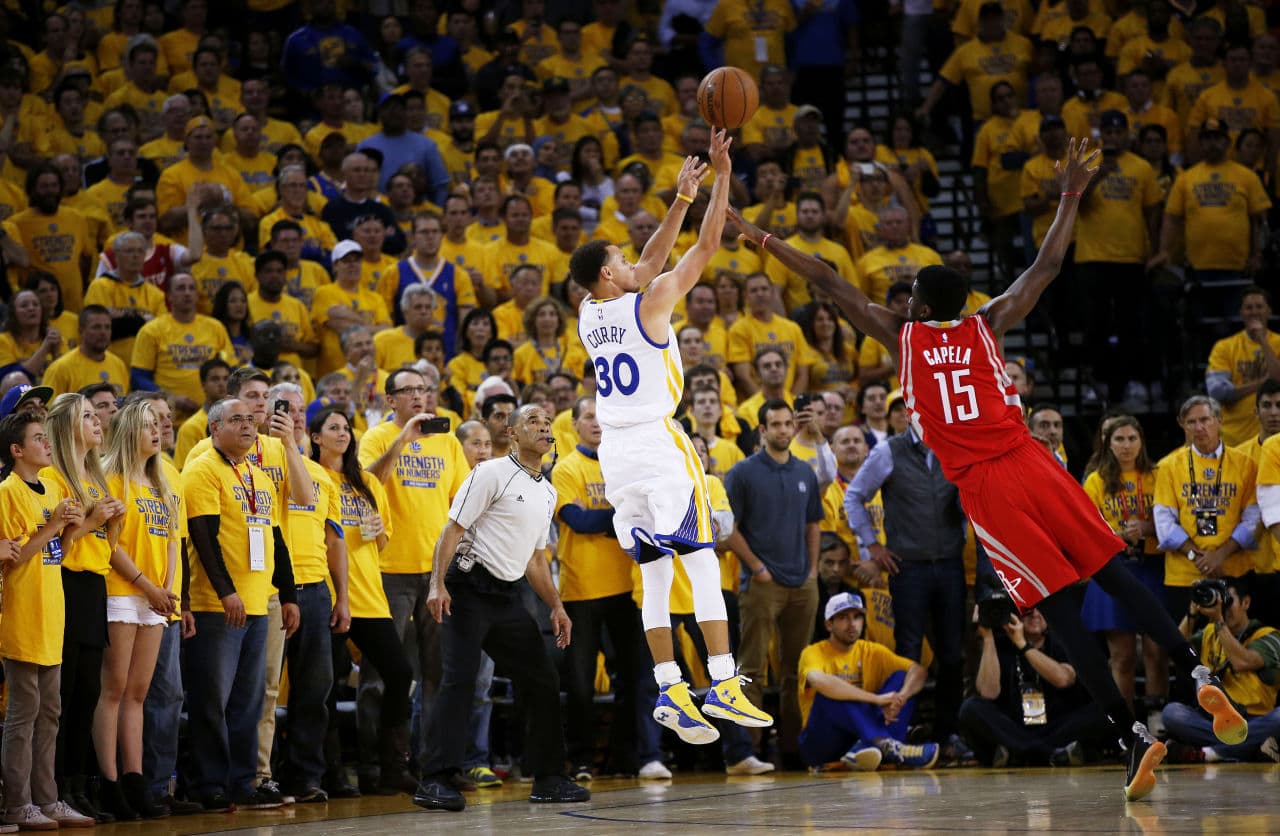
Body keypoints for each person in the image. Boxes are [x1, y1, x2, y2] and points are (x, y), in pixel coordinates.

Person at [728, 137, 1246, 802]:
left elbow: (827, 279)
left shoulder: (903, 336)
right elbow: (1048, 264)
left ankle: (1131, 737)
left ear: (916, 306)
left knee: (1060, 612)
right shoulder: (989, 323)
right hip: (1033, 461)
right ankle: (1194, 667)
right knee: (1112, 571)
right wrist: (1068, 195)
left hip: (989, 489)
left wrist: (760, 238)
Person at [567, 129, 771, 747]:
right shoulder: (649, 304)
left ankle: (669, 690)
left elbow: (649, 264)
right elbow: (707, 246)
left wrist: (681, 198)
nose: (636, 263)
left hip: (616, 454)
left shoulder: (588, 310)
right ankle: (723, 679)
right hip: (658, 444)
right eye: (621, 260)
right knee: (703, 558)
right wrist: (722, 173)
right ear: (609, 273)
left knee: (655, 571)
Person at [414, 405, 589, 811]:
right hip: (467, 587)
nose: (544, 427)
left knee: (542, 678)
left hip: (506, 595)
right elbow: (452, 529)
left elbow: (536, 559)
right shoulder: (490, 472)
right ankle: (435, 780)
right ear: (511, 433)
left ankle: (548, 778)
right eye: (533, 421)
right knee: (460, 679)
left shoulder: (548, 490)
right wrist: (437, 584)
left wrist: (556, 606)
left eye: (548, 423)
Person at [181, 397, 298, 811]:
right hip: (217, 606)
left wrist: (287, 595)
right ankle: (207, 783)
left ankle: (243, 781)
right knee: (212, 699)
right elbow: (202, 538)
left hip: (258, 603)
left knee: (248, 700)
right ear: (215, 428)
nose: (249, 426)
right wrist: (226, 591)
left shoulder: (259, 476)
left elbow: (277, 540)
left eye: (251, 419)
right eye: (237, 420)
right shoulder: (201, 471)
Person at [357, 367, 470, 793]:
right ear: (391, 400)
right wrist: (402, 439)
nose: (419, 397)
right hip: (387, 573)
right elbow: (364, 485)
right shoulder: (377, 437)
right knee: (381, 675)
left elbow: (460, 502)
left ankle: (433, 764)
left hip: (437, 573)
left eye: (424, 389)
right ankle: (375, 765)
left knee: (438, 674)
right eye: (409, 390)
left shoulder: (449, 441)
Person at [845, 400, 969, 758]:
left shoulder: (954, 448)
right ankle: (899, 730)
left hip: (949, 563)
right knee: (908, 653)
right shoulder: (888, 451)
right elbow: (854, 497)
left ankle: (949, 735)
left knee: (952, 655)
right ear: (910, 414)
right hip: (908, 566)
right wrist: (871, 546)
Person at [310, 405, 416, 795]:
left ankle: (392, 767)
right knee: (327, 684)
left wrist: (375, 532)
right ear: (316, 438)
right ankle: (332, 772)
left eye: (346, 428)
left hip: (370, 595)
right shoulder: (311, 476)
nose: (343, 433)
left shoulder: (368, 482)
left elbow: (384, 541)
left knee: (400, 672)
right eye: (333, 427)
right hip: (328, 594)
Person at [0, 411, 90, 831]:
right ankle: (18, 804)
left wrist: (71, 530)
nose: (47, 444)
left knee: (50, 712)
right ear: (17, 450)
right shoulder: (7, 492)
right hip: (21, 613)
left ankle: (47, 799)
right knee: (24, 713)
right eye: (38, 439)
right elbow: (14, 558)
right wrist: (53, 525)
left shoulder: (53, 485)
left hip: (53, 611)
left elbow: (57, 554)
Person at [726, 400, 823, 761]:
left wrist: (812, 570)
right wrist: (756, 567)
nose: (783, 430)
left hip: (803, 583)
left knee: (796, 671)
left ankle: (794, 749)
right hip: (762, 584)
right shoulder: (742, 473)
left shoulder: (805, 472)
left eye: (787, 424)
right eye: (775, 424)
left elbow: (814, 523)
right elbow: (728, 530)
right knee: (752, 669)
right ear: (762, 430)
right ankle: (748, 751)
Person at [94, 400, 177, 819]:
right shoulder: (113, 477)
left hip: (155, 598)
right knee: (114, 690)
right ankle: (108, 783)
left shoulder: (160, 482)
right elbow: (110, 547)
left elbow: (172, 544)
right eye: (146, 425)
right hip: (121, 591)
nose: (156, 431)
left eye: (158, 425)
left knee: (139, 694)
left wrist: (166, 589)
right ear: (128, 430)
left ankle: (135, 778)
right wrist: (147, 585)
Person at [551, 395, 640, 780]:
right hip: (581, 591)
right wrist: (620, 519)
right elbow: (577, 521)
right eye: (589, 416)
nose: (597, 422)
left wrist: (605, 521)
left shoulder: (624, 464)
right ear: (573, 425)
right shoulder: (565, 469)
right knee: (581, 685)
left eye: (602, 416)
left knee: (632, 679)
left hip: (625, 588)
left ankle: (623, 757)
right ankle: (582, 759)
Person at [46, 394, 125, 824]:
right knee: (64, 693)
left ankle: (78, 785)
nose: (98, 422)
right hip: (65, 585)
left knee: (88, 695)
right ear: (65, 426)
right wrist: (92, 523)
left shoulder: (96, 476)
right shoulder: (53, 477)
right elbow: (54, 549)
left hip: (95, 586)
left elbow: (105, 549)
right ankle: (54, 786)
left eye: (97, 416)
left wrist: (110, 525)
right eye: (88, 416)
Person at [1080, 415, 1170, 727]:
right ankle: (1127, 730)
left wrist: (1148, 527)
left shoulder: (1159, 474)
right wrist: (1115, 536)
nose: (1127, 445)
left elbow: (1176, 517)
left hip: (1153, 567)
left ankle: (1159, 726)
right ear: (1108, 443)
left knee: (1157, 653)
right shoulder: (1095, 481)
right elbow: (1084, 528)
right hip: (1112, 569)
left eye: (1132, 438)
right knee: (1123, 657)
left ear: (1142, 441)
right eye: (1119, 439)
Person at [797, 592, 938, 772]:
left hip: (861, 735)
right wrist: (877, 700)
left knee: (902, 678)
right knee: (831, 694)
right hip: (821, 743)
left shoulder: (872, 651)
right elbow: (819, 681)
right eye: (843, 618)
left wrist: (899, 698)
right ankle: (887, 745)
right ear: (828, 624)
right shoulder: (812, 652)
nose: (852, 624)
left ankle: (867, 749)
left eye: (857, 617)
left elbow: (918, 671)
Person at [959, 605, 1109, 767]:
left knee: (1106, 711)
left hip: (1056, 726)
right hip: (1014, 727)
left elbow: (1064, 679)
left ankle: (1021, 753)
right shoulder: (1001, 644)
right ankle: (1052, 754)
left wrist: (1023, 645)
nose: (1036, 614)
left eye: (1041, 609)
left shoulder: (1061, 641)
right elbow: (988, 692)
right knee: (970, 709)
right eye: (1028, 610)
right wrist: (987, 637)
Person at [1162, 575, 1280, 762]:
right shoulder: (1209, 633)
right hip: (1216, 722)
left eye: (1229, 602)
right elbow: (1175, 651)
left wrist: (1218, 620)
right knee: (1172, 713)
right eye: (1221, 602)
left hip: (1255, 719)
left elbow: (1242, 662)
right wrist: (1192, 612)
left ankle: (1207, 754)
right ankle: (1250, 748)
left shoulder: (1269, 636)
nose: (1224, 609)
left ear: (1246, 603)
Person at [1205, 288, 1280, 447]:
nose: (1254, 312)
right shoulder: (1224, 347)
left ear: (1269, 311)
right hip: (1234, 439)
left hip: (1275, 439)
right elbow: (1217, 391)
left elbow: (1277, 380)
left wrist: (1262, 341)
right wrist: (1261, 383)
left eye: (1259, 306)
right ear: (1241, 312)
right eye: (1249, 307)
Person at [41, 307, 130, 398]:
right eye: (96, 327)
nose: (103, 332)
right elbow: (49, 409)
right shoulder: (60, 368)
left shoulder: (119, 365)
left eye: (107, 327)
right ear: (81, 331)